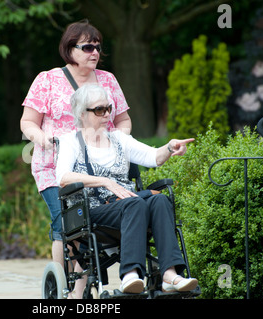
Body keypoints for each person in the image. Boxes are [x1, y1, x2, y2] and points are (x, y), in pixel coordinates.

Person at [55, 84, 198, 295]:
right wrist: (104, 181)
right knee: (135, 203)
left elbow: (152, 157)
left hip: (129, 204)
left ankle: (169, 274)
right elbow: (63, 177)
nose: (106, 115)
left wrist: (169, 148)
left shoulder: (119, 139)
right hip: (92, 211)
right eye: (99, 110)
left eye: (108, 108)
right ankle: (130, 275)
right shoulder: (70, 142)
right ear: (82, 114)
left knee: (160, 200)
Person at [20, 19, 131, 266]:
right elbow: (27, 122)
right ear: (70, 49)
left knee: (89, 224)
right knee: (65, 222)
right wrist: (43, 139)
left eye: (98, 47)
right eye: (87, 47)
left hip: (101, 166)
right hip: (55, 167)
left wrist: (120, 141)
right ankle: (64, 286)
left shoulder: (108, 80)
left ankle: (80, 289)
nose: (95, 53)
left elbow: (123, 121)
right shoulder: (47, 79)